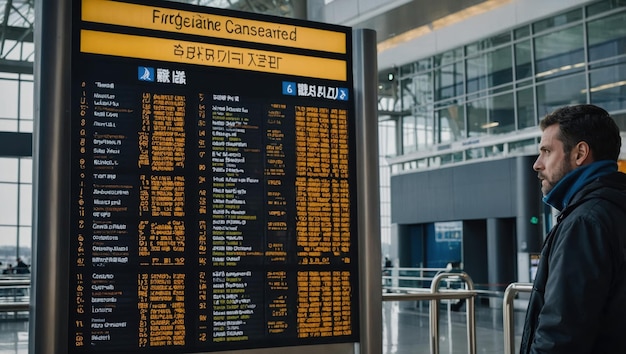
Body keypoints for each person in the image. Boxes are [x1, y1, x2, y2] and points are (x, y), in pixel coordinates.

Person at [520, 104, 626, 353]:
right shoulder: (615, 208)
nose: (537, 164)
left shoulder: (585, 222)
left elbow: (559, 336)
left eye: (546, 151)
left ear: (580, 153)